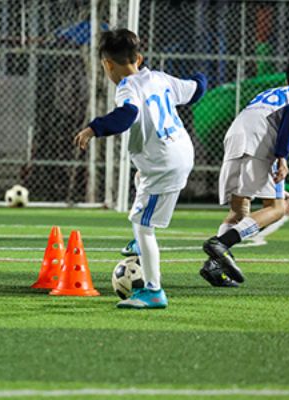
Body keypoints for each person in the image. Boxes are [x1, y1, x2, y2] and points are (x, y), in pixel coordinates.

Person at [73, 29, 206, 309]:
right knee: (140, 179)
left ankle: (153, 291)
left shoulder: (127, 87)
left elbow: (126, 116)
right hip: (182, 152)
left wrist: (93, 128)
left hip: (164, 163)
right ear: (139, 58)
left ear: (107, 64)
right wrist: (201, 76)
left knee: (143, 225)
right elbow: (197, 90)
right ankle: (138, 243)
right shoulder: (160, 78)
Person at [201, 50, 289, 286]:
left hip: (235, 138)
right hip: (260, 142)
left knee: (239, 210)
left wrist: (271, 183)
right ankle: (221, 244)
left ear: (287, 79)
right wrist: (282, 157)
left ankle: (214, 266)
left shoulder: (269, 93)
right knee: (276, 209)